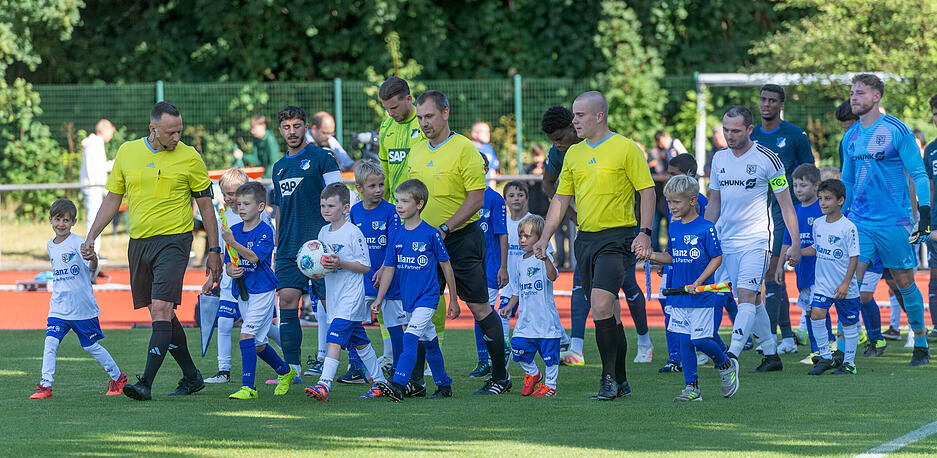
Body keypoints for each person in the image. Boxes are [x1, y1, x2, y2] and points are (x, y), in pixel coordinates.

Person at [82, 101, 221, 401]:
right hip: (139, 244)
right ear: (153, 129)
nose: (177, 138)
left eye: (180, 132)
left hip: (175, 240)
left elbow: (207, 206)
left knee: (160, 309)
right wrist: (91, 235)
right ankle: (192, 377)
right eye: (171, 133)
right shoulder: (127, 152)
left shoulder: (190, 156)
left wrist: (214, 249)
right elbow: (112, 199)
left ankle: (145, 383)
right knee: (163, 316)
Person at [535, 91, 656, 400]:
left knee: (600, 304)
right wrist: (544, 237)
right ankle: (623, 381)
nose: (574, 120)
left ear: (599, 116)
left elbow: (647, 191)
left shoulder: (626, 148)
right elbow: (560, 199)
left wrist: (645, 233)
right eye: (574, 115)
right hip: (585, 240)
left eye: (580, 115)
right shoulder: (572, 155)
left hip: (618, 239)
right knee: (610, 313)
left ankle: (607, 380)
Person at [406, 90, 511, 395]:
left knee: (479, 307)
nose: (424, 123)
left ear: (445, 113)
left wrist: (446, 228)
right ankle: (416, 381)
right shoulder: (416, 151)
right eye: (421, 117)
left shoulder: (465, 148)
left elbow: (477, 199)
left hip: (461, 239)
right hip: (424, 243)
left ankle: (500, 377)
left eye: (429, 116)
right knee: (422, 310)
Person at [841, 74, 931, 366]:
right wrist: (840, 218)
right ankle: (848, 350)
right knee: (849, 282)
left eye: (861, 93)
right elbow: (847, 182)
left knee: (904, 283)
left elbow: (918, 173)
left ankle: (920, 342)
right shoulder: (849, 136)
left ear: (877, 96)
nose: (854, 97)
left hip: (894, 222)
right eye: (852, 93)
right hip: (859, 222)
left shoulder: (897, 130)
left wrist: (925, 213)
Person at [705, 105, 802, 373]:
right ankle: (771, 355)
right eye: (725, 130)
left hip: (756, 241)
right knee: (753, 300)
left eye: (735, 130)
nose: (729, 135)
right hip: (726, 242)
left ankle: (731, 356)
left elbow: (786, 206)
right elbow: (714, 203)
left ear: (749, 129)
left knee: (746, 296)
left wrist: (794, 243)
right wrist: (701, 235)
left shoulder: (768, 159)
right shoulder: (719, 159)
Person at [642, 175, 739, 401]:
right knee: (684, 341)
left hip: (702, 297)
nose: (672, 207)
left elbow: (717, 259)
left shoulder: (706, 228)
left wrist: (699, 282)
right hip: (679, 296)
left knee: (699, 340)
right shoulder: (674, 228)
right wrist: (652, 256)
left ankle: (725, 363)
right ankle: (692, 388)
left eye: (677, 202)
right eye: (669, 202)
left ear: (693, 200)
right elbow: (673, 256)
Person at [271, 106, 343, 381]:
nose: (292, 132)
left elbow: (339, 198)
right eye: (287, 127)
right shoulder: (279, 168)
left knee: (331, 306)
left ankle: (352, 363)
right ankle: (293, 370)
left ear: (306, 128)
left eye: (297, 126)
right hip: (290, 247)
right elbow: (280, 210)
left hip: (321, 246)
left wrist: (336, 238)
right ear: (281, 130)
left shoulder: (322, 158)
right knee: (288, 300)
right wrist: (278, 246)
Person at [30, 199, 127, 399]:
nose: (61, 224)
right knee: (50, 343)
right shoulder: (50, 245)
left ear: (73, 222)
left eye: (66, 220)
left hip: (82, 307)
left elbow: (91, 269)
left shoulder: (78, 243)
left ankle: (118, 377)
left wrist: (94, 260)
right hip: (58, 307)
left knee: (91, 346)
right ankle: (46, 386)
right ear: (50, 220)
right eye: (57, 219)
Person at [373, 179, 459, 401]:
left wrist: (454, 300)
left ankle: (399, 384)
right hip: (408, 300)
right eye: (397, 201)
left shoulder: (431, 234)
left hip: (427, 298)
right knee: (430, 344)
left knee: (410, 338)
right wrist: (380, 298)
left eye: (404, 201)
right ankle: (444, 385)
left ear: (419, 204)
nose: (399, 206)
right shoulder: (397, 235)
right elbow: (389, 269)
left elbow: (446, 267)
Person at [303, 183, 389, 401]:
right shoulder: (323, 232)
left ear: (345, 208)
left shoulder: (353, 233)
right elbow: (322, 263)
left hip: (351, 296)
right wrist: (314, 268)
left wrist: (340, 262)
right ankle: (380, 383)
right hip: (334, 296)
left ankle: (323, 385)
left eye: (331, 206)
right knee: (359, 341)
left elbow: (365, 266)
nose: (325, 210)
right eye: (323, 206)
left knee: (334, 338)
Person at [750, 84, 815, 357]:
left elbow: (811, 173)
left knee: (774, 275)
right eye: (763, 99)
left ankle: (775, 338)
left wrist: (805, 210)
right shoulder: (750, 134)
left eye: (772, 100)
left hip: (782, 214)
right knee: (762, 279)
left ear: (781, 105)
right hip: (753, 213)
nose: (766, 105)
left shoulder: (794, 135)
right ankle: (785, 336)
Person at [205, 168, 280, 384]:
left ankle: (287, 360)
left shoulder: (261, 217)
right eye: (226, 194)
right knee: (226, 323)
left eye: (234, 193)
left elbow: (257, 254)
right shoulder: (224, 218)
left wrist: (233, 243)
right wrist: (217, 274)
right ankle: (223, 370)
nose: (231, 199)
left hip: (257, 284)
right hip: (233, 282)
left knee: (255, 335)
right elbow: (222, 251)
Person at [222, 182, 296, 399]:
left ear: (261, 206)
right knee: (258, 344)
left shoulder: (265, 230)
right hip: (243, 292)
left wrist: (232, 243)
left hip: (262, 291)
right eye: (239, 204)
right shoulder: (234, 231)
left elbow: (254, 257)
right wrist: (231, 271)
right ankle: (286, 372)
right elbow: (229, 263)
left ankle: (249, 388)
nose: (241, 208)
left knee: (245, 336)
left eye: (246, 204)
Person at [340, 161, 406, 383]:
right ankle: (356, 366)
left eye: (381, 185)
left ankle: (398, 368)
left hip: (389, 277)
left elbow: (393, 243)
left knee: (394, 323)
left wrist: (383, 268)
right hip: (361, 278)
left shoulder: (391, 211)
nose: (378, 190)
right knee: (352, 321)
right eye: (372, 186)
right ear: (359, 188)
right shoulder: (354, 212)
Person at [800, 179, 861, 375]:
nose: (823, 203)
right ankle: (826, 356)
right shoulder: (818, 224)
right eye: (820, 199)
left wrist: (845, 283)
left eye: (828, 199)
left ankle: (849, 363)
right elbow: (816, 249)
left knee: (849, 323)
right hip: (823, 285)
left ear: (841, 200)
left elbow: (854, 257)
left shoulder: (848, 227)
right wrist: (797, 253)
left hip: (844, 287)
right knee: (816, 314)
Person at [500, 215, 563, 397]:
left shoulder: (545, 258)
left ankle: (550, 386)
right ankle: (533, 373)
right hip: (526, 320)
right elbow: (517, 289)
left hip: (546, 321)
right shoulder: (519, 261)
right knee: (518, 347)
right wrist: (510, 306)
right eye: (521, 236)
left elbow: (553, 277)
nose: (522, 240)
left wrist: (545, 260)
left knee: (550, 357)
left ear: (540, 237)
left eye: (527, 236)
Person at [776, 164, 835, 360]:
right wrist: (779, 266)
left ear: (816, 185)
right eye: (795, 186)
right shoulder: (794, 210)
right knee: (810, 311)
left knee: (819, 309)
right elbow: (787, 239)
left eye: (803, 185)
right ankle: (817, 348)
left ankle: (824, 347)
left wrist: (799, 252)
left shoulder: (823, 209)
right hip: (803, 270)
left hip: (822, 270)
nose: (798, 190)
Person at [470, 154, 508, 378]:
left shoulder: (494, 199)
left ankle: (490, 358)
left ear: (485, 169)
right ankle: (487, 357)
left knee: (483, 312)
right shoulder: (463, 198)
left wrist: (503, 267)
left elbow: (501, 234)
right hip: (471, 267)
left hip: (491, 266)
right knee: (478, 312)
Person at [377, 76, 425, 204]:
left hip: (422, 209)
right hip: (395, 209)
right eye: (386, 108)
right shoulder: (386, 126)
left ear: (408, 99)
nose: (390, 113)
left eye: (394, 108)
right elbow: (384, 170)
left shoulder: (425, 124)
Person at [80, 119, 115, 257]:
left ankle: (93, 249)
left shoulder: (93, 143)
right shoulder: (95, 144)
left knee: (94, 218)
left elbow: (98, 166)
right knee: (95, 220)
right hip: (93, 187)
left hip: (92, 186)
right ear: (104, 130)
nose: (111, 135)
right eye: (111, 132)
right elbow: (97, 169)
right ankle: (92, 250)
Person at [923, 94, 937, 341]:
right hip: (935, 223)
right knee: (934, 276)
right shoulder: (931, 150)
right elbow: (930, 188)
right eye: (935, 114)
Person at [524, 145, 550, 217]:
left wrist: (544, 173)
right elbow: (523, 184)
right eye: (535, 155)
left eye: (539, 155)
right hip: (532, 207)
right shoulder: (528, 169)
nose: (538, 159)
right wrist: (532, 174)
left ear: (543, 155)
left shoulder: (548, 167)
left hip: (546, 206)